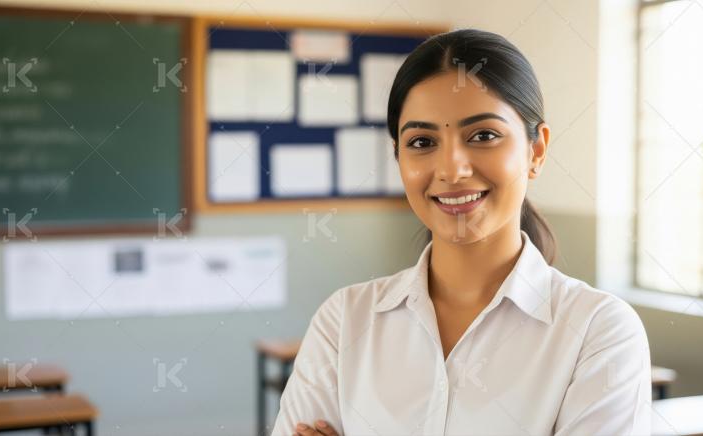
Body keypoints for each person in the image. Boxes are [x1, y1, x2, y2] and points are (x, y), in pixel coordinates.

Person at [271, 28, 651, 436]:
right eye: (421, 141)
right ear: (397, 156)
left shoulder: (598, 331)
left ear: (535, 150)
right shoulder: (343, 322)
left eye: (483, 135)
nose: (451, 169)